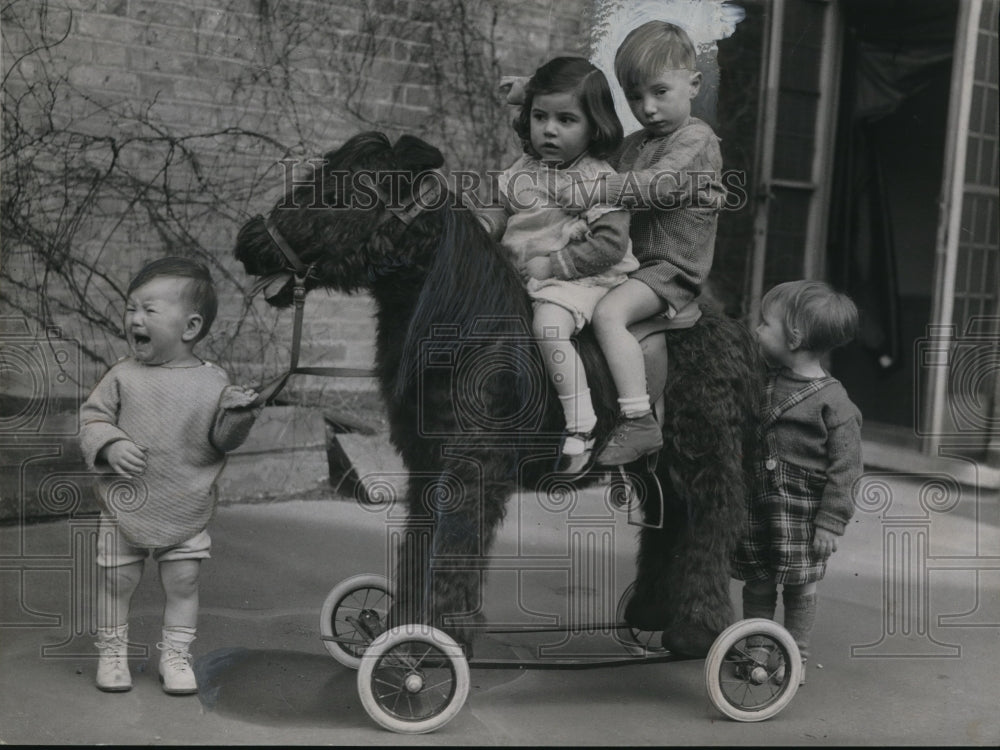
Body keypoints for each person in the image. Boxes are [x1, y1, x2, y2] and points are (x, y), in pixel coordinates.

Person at [80, 257, 260, 695]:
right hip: (125, 503)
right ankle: (113, 653)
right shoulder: (123, 375)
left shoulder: (212, 381)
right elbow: (92, 419)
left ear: (191, 327)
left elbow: (221, 440)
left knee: (185, 581)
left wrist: (238, 415)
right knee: (116, 580)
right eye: (131, 309)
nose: (134, 319)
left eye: (149, 310)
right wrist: (110, 444)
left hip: (185, 500)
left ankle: (175, 657)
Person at [556, 21, 727, 466]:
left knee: (611, 314)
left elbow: (659, 186)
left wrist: (597, 192)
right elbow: (589, 147)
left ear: (693, 85)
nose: (647, 108)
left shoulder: (696, 140)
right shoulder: (635, 143)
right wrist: (542, 100)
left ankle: (639, 421)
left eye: (659, 92)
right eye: (634, 97)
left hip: (667, 268)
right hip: (627, 264)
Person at [482, 56, 638, 473]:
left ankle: (580, 424)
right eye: (539, 116)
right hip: (524, 274)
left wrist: (554, 265)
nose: (549, 129)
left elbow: (608, 245)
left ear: (595, 126)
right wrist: (486, 222)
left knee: (548, 328)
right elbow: (503, 208)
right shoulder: (525, 169)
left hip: (578, 279)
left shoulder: (598, 180)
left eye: (566, 119)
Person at [733, 280, 863, 685]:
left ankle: (795, 655)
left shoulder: (834, 402)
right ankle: (757, 645)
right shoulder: (762, 378)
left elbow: (847, 468)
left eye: (765, 323)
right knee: (758, 579)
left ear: (794, 336)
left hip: (803, 512)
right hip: (759, 504)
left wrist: (831, 521)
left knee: (800, 585)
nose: (757, 330)